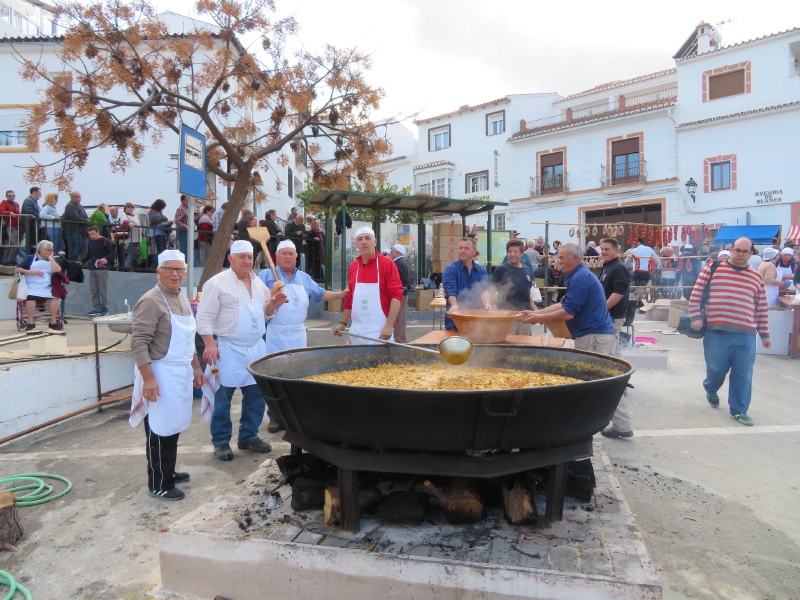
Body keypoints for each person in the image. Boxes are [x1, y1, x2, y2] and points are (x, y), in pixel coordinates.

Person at [196, 240, 288, 461]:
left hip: (256, 348)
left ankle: (248, 436)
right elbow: (204, 317)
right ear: (231, 259)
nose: (247, 261)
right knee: (222, 398)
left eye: (250, 257)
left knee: (256, 396)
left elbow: (264, 312)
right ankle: (221, 441)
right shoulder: (216, 283)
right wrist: (209, 344)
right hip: (228, 349)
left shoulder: (257, 282)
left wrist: (273, 304)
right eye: (242, 257)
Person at [129, 249, 204, 501]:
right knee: (159, 428)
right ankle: (159, 483)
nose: (175, 274)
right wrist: (149, 378)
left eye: (179, 269)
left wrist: (196, 367)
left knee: (173, 425)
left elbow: (188, 339)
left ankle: (168, 471)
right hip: (159, 372)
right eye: (169, 269)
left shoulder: (181, 297)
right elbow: (138, 342)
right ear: (158, 271)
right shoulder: (151, 301)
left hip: (180, 371)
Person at [688, 237, 770, 426]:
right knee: (716, 369)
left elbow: (761, 307)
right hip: (716, 332)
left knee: (743, 373)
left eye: (745, 251)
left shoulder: (756, 277)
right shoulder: (713, 267)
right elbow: (696, 293)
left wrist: (765, 334)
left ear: (751, 253)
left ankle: (739, 410)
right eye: (737, 250)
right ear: (731, 250)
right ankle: (711, 388)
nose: (740, 254)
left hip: (746, 333)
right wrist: (695, 317)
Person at [521, 243, 618, 366]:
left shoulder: (580, 277)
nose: (559, 262)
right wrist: (536, 313)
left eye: (562, 258)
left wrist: (539, 318)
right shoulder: (580, 275)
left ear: (575, 258)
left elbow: (568, 313)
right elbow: (562, 305)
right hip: (595, 337)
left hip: (594, 338)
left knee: (591, 376)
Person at [332, 227, 403, 344]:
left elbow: (396, 296)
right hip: (356, 331)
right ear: (356, 244)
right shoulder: (353, 266)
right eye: (360, 239)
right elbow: (350, 297)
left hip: (380, 332)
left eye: (367, 238)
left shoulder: (387, 264)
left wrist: (389, 325)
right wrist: (343, 323)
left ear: (375, 242)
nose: (364, 242)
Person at [598, 238, 633, 438]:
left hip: (612, 318)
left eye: (607, 249)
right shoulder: (608, 266)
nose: (603, 252)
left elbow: (618, 293)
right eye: (602, 249)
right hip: (608, 318)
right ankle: (622, 384)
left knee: (610, 363)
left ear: (616, 250)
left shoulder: (618, 268)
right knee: (616, 359)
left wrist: (600, 311)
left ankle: (620, 387)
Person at [14, 239, 63, 331]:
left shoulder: (53, 260)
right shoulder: (30, 258)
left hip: (47, 285)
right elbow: (17, 269)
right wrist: (32, 272)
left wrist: (51, 259)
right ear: (41, 250)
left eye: (52, 250)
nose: (51, 252)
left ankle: (53, 322)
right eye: (49, 250)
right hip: (32, 285)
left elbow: (57, 270)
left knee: (54, 298)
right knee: (30, 298)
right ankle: (30, 322)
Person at [491, 239, 535, 335]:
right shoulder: (501, 270)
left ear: (522, 253)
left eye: (515, 251)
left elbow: (528, 293)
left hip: (524, 317)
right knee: (507, 343)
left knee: (525, 343)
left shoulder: (527, 270)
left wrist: (536, 311)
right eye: (510, 251)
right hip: (506, 316)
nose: (512, 254)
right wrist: (491, 312)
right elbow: (491, 291)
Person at [85, 225, 115, 316]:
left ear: (98, 232)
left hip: (102, 268)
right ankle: (96, 309)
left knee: (102, 290)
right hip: (92, 268)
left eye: (93, 234)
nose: (91, 236)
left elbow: (112, 254)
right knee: (93, 290)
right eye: (90, 234)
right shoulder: (90, 242)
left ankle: (105, 309)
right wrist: (81, 261)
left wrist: (106, 258)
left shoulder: (105, 241)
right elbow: (89, 255)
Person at [390, 244, 412, 343]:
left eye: (392, 250)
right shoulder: (399, 262)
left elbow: (403, 280)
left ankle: (399, 339)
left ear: (397, 252)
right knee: (398, 317)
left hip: (401, 293)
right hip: (400, 292)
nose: (391, 252)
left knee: (400, 317)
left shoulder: (400, 263)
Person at [62, 191, 90, 262]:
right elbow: (75, 217)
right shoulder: (70, 206)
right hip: (72, 230)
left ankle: (72, 262)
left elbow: (85, 216)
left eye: (79, 197)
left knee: (74, 246)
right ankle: (72, 260)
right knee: (80, 244)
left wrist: (87, 220)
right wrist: (86, 220)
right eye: (75, 197)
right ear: (71, 198)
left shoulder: (80, 206)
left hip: (81, 230)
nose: (78, 199)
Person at [0, 190, 21, 265]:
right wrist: (9, 213)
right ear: (6, 196)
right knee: (15, 245)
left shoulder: (16, 204)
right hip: (10, 226)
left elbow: (19, 213)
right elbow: (1, 211)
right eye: (10, 196)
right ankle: (9, 260)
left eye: (13, 195)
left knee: (15, 245)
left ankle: (12, 260)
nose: (12, 197)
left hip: (17, 226)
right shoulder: (4, 202)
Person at [20, 186, 42, 255]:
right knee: (31, 243)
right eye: (39, 193)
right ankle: (30, 257)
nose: (40, 196)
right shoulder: (28, 201)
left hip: (33, 225)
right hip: (30, 225)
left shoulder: (34, 201)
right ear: (34, 192)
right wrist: (39, 216)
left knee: (34, 243)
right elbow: (28, 211)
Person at [122, 203, 142, 270]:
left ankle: (130, 265)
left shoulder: (133, 216)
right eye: (128, 206)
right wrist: (129, 223)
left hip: (136, 237)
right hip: (131, 238)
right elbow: (124, 221)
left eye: (132, 207)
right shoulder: (124, 214)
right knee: (131, 253)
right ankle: (128, 267)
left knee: (134, 253)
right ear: (125, 208)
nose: (130, 208)